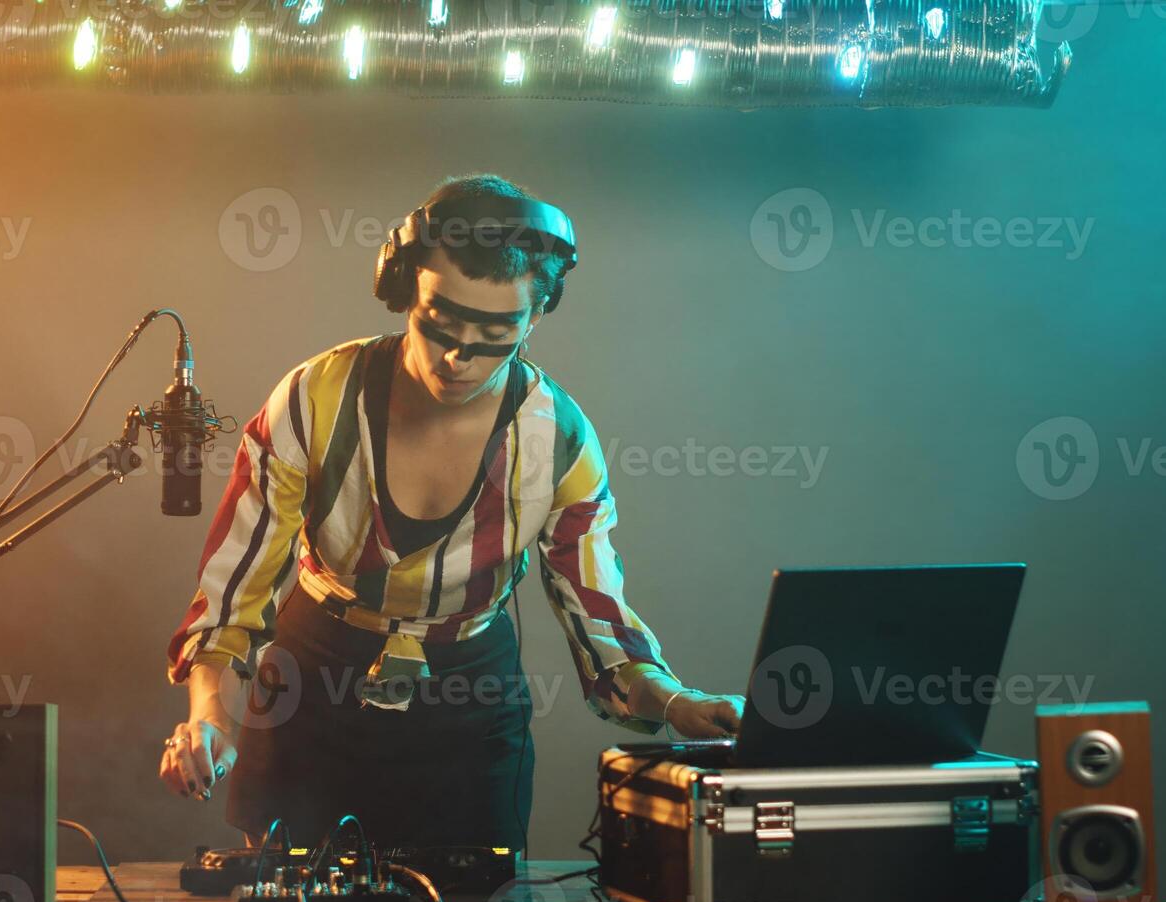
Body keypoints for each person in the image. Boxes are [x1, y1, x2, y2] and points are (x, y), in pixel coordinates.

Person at [159, 173, 744, 849]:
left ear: (536, 316)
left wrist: (676, 703)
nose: (460, 355)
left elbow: (600, 623)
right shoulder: (309, 400)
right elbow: (234, 591)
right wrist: (207, 716)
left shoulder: (560, 442)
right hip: (310, 680)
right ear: (403, 288)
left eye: (496, 330)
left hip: (469, 702)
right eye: (439, 322)